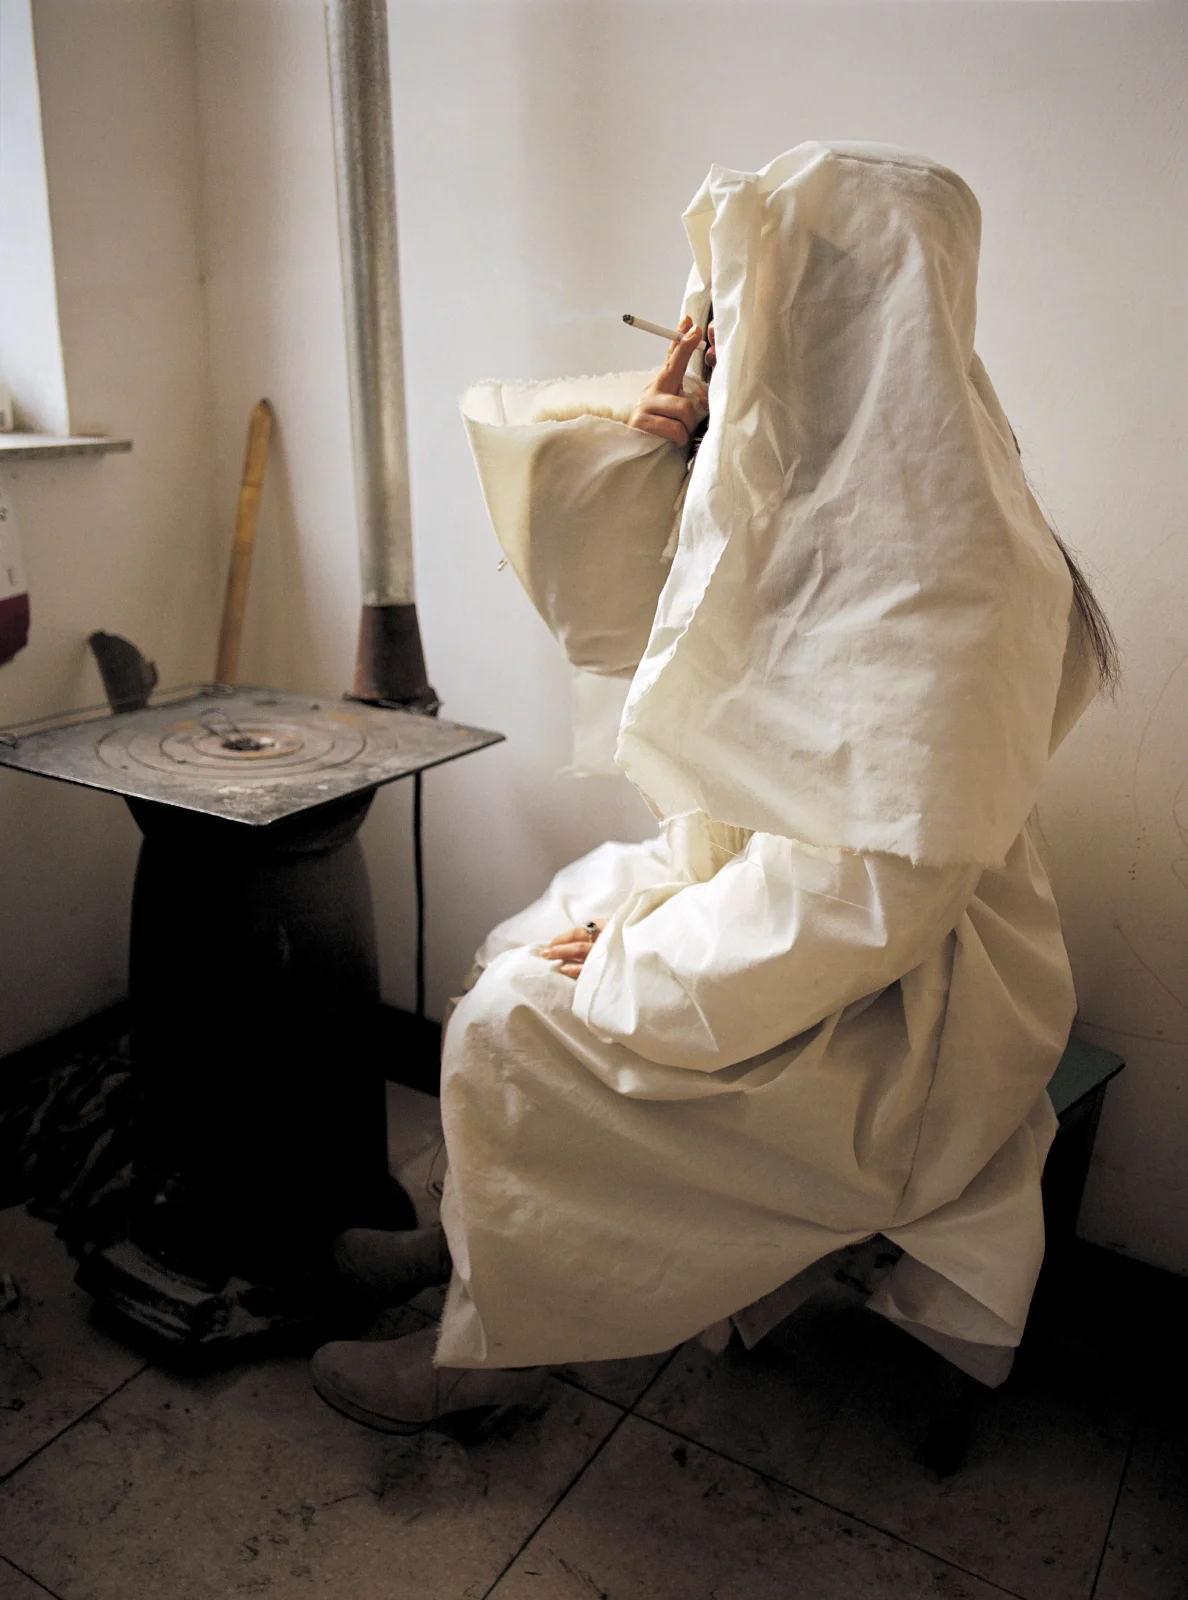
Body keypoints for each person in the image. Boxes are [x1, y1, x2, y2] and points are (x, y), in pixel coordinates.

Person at [311, 142, 1117, 1435]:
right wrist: (656, 455)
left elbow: (877, 898)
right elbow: (648, 664)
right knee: (524, 947)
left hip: (907, 993)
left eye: (739, 315)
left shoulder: (954, 568)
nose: (711, 342)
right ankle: (477, 1240)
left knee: (527, 1019)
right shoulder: (833, 487)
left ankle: (491, 1354)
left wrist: (639, 955)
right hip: (770, 901)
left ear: (839, 323)